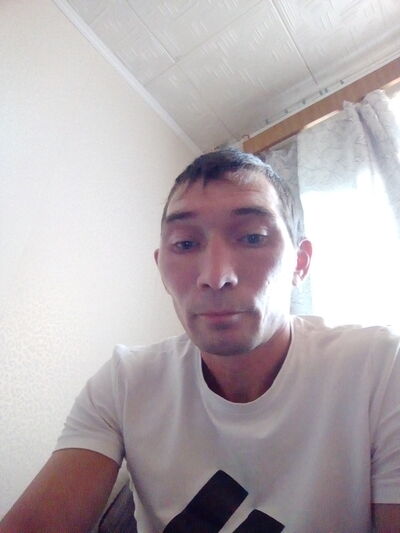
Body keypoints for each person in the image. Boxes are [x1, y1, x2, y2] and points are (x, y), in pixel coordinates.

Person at [1, 149, 399, 532]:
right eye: (186, 244)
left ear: (300, 261)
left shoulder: (378, 368)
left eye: (253, 237)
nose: (215, 276)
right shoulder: (126, 381)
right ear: (161, 267)